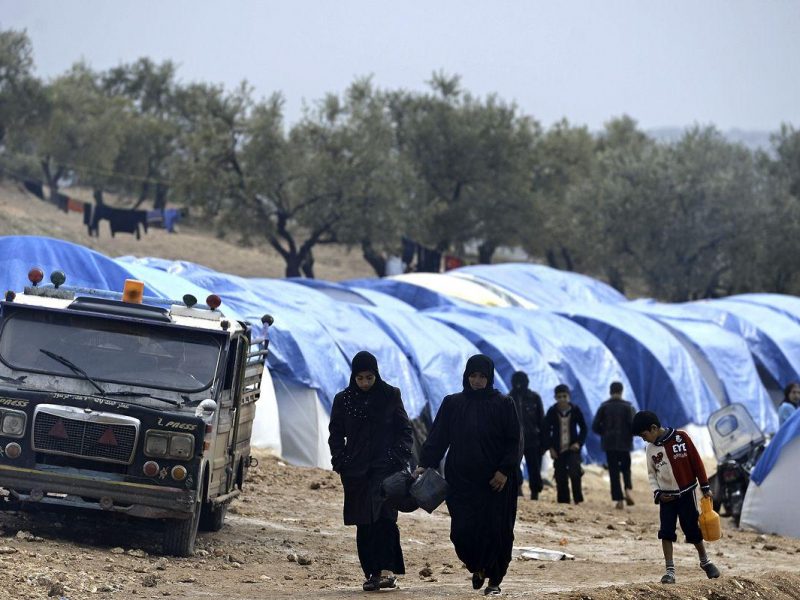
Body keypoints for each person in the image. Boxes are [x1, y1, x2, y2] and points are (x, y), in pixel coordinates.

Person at [415, 354, 521, 596]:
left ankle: (494, 580)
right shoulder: (453, 403)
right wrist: (425, 463)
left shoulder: (504, 404)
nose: (477, 380)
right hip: (461, 481)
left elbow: (514, 441)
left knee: (496, 530)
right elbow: (438, 436)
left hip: (495, 483)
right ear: (466, 376)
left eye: (482, 376)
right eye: (473, 375)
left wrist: (504, 470)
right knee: (461, 531)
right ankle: (478, 567)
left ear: (490, 377)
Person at [328, 351, 413, 592]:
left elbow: (404, 431)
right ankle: (373, 573)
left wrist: (396, 457)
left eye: (369, 378)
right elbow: (336, 434)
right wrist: (340, 460)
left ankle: (387, 571)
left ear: (376, 374)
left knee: (385, 519)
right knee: (364, 523)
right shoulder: (343, 400)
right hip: (356, 472)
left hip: (385, 469)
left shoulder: (390, 395)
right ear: (353, 377)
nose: (365, 383)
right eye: (360, 379)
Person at [632, 410, 721, 584]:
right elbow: (651, 475)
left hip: (687, 494)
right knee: (666, 532)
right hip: (667, 499)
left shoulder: (681, 438)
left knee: (693, 530)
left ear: (654, 428)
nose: (644, 440)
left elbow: (696, 462)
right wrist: (658, 493)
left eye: (644, 435)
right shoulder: (650, 449)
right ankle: (670, 570)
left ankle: (705, 561)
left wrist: (705, 487)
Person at [592, 381, 637, 510]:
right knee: (626, 468)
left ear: (610, 391)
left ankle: (619, 500)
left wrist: (605, 433)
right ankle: (628, 489)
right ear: (621, 391)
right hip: (625, 444)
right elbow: (634, 426)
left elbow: (595, 426)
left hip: (609, 444)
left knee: (613, 471)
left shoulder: (604, 407)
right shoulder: (628, 407)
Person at [543, 384, 587, 504]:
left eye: (564, 396)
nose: (562, 399)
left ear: (569, 397)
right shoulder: (552, 411)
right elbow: (545, 431)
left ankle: (578, 500)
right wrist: (550, 448)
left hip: (572, 448)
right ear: (555, 398)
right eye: (559, 397)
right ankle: (563, 502)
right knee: (560, 475)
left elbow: (584, 428)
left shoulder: (575, 410)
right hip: (558, 450)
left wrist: (578, 443)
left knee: (575, 472)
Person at [509, 371, 545, 500]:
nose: (519, 385)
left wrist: (543, 441)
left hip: (532, 439)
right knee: (514, 465)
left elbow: (542, 420)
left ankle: (535, 492)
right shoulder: (509, 398)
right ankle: (518, 489)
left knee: (534, 466)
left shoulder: (534, 398)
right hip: (515, 439)